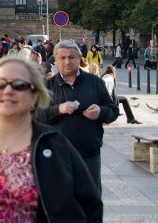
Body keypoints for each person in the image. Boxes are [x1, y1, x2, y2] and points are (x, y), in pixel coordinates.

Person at [0, 57, 102, 222]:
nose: (8, 91)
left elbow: (89, 206)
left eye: (19, 85)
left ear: (34, 95)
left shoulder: (55, 145)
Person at [36, 40, 119, 195]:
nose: (67, 62)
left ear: (79, 58)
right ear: (56, 60)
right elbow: (36, 116)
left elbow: (113, 111)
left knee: (90, 200)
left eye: (71, 57)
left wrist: (100, 111)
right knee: (60, 201)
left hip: (88, 154)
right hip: (57, 155)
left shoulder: (95, 83)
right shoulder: (47, 86)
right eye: (62, 58)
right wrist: (58, 109)